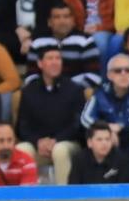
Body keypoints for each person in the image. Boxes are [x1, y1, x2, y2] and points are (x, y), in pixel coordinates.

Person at [16, 46, 84, 185]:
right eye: (50, 58)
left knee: (59, 150)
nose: (55, 62)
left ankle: (64, 195)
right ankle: (26, 197)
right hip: (39, 146)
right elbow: (22, 126)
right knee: (22, 149)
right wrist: (37, 141)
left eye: (58, 58)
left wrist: (56, 140)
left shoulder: (74, 89)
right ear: (40, 63)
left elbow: (77, 125)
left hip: (67, 144)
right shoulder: (29, 90)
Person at [68, 120, 129, 185]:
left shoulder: (121, 160)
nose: (104, 143)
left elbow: (126, 188)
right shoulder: (79, 160)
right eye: (99, 139)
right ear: (89, 142)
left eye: (107, 139)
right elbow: (73, 187)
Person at [0, 121, 37, 187]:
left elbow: (27, 193)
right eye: (1, 141)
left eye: (9, 140)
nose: (6, 145)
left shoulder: (27, 162)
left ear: (14, 140)